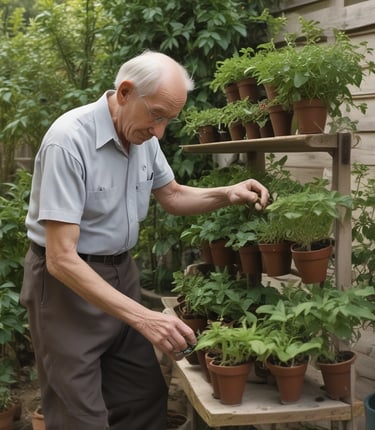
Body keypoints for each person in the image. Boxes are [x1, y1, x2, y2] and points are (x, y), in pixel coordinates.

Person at [20, 50, 270, 430]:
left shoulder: (143, 138)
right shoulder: (68, 141)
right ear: (124, 92)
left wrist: (227, 193)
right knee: (79, 417)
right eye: (156, 115)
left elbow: (170, 195)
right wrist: (145, 318)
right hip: (65, 289)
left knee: (143, 399)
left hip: (121, 274)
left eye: (168, 120)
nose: (160, 131)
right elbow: (61, 259)